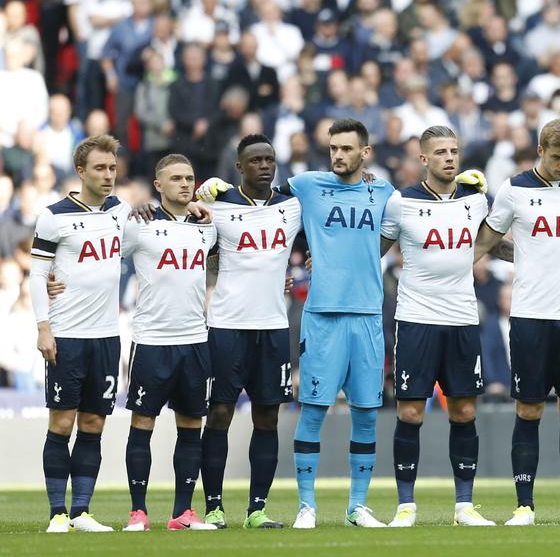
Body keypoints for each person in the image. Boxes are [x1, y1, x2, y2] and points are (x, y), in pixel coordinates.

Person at [198, 118, 396, 528]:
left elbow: (396, 229)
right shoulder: (305, 186)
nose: (338, 155)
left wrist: (352, 256)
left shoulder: (383, 191)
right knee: (310, 411)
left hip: (367, 316)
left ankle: (357, 507)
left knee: (365, 415)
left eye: (347, 148)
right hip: (319, 316)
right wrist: (214, 189)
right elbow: (254, 199)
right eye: (333, 148)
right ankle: (306, 506)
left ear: (365, 153)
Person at [472, 118, 560, 526]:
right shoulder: (514, 189)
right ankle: (524, 507)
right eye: (556, 158)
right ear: (540, 150)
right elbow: (486, 241)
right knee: (529, 409)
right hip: (531, 315)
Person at [378, 126, 503, 528]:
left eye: (454, 151)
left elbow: (495, 243)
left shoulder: (475, 199)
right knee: (411, 412)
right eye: (441, 152)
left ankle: (464, 506)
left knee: (463, 411)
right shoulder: (401, 202)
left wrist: (547, 252)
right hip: (416, 319)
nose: (449, 158)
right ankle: (405, 506)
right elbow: (376, 249)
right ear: (423, 159)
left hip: (462, 319)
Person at [198, 135, 303, 529]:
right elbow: (200, 250)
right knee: (219, 413)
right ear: (239, 167)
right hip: (226, 326)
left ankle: (257, 509)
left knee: (268, 417)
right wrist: (200, 195)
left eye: (269, 159)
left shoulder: (292, 206)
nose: (264, 166)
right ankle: (213, 507)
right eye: (255, 160)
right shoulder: (218, 207)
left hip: (272, 327)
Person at [30, 136, 130, 533]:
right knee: (61, 423)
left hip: (106, 337)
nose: (108, 175)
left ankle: (81, 512)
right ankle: (57, 513)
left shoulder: (121, 211)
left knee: (93, 424)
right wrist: (43, 327)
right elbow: (38, 274)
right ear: (81, 171)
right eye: (100, 168)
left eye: (112, 168)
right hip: (67, 335)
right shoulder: (53, 216)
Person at [120, 154, 218, 532]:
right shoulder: (140, 224)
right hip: (152, 341)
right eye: (176, 178)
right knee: (142, 423)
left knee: (191, 425)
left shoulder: (206, 226)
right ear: (158, 185)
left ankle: (182, 513)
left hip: (195, 340)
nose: (185, 184)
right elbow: (104, 253)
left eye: (189, 178)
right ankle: (138, 512)